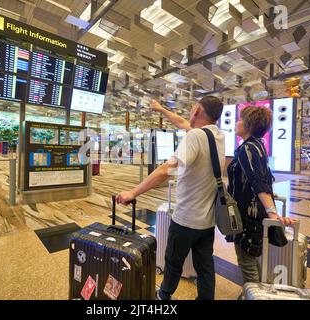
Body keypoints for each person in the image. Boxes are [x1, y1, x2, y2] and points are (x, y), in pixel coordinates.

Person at [117, 96, 225, 300]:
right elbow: (182, 123)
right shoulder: (217, 136)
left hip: (186, 218)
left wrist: (133, 192)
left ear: (197, 111)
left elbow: (167, 169)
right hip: (207, 221)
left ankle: (164, 296)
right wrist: (160, 109)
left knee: (173, 261)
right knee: (205, 267)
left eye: (193, 108)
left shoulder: (194, 137)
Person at [225, 106, 294, 294]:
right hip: (255, 214)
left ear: (248, 124)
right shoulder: (258, 145)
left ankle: (255, 295)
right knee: (254, 258)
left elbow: (258, 182)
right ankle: (257, 294)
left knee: (247, 262)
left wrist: (273, 212)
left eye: (240, 119)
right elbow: (265, 180)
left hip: (247, 217)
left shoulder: (247, 148)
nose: (236, 122)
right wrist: (271, 211)